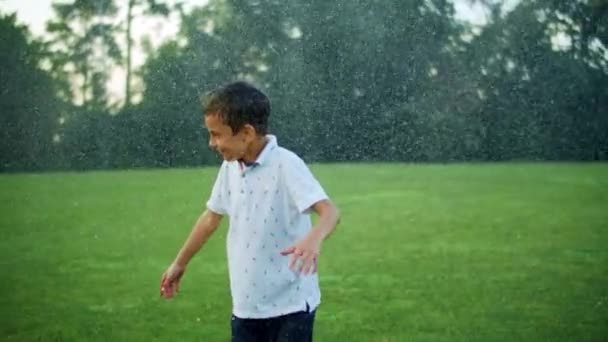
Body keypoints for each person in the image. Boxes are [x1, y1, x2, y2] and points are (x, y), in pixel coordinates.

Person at [160, 81, 341, 342]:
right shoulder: (230, 167)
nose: (212, 143)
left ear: (246, 133)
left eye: (217, 134)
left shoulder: (286, 165)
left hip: (291, 305)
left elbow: (330, 212)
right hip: (246, 307)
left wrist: (314, 239)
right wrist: (180, 263)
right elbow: (211, 217)